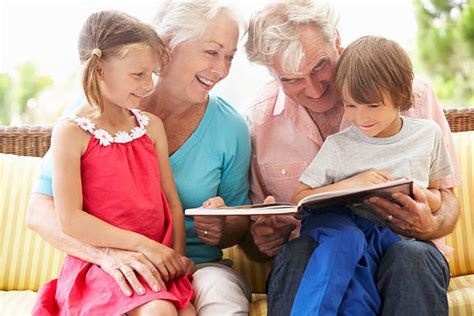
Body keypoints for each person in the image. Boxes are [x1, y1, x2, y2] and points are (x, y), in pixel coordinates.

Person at [27, 1, 252, 315]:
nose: (223, 70)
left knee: (218, 303)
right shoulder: (89, 112)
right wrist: (109, 255)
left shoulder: (229, 127)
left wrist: (222, 225)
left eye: (229, 56)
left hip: (195, 265)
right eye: (212, 52)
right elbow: (40, 211)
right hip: (112, 261)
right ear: (168, 45)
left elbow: (238, 227)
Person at [243, 1, 462, 315]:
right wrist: (260, 241)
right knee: (300, 252)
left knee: (412, 256)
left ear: (335, 38)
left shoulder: (409, 94)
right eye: (291, 79)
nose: (315, 90)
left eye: (319, 66)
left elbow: (448, 200)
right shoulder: (260, 121)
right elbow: (254, 241)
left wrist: (430, 223)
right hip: (320, 251)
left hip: (404, 248)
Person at [32, 10, 195, 315]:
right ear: (99, 69)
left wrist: (176, 258)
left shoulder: (151, 126)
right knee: (159, 311)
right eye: (138, 74)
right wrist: (142, 245)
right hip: (103, 265)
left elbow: (171, 202)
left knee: (185, 312)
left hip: (155, 261)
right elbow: (71, 219)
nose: (149, 85)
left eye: (152, 73)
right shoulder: (71, 132)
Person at [290, 35, 454, 316]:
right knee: (349, 259)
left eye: (372, 106)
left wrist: (418, 194)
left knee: (400, 261)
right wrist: (355, 182)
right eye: (351, 106)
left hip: (396, 238)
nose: (360, 117)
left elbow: (440, 197)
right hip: (348, 234)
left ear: (401, 96)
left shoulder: (428, 135)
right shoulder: (339, 145)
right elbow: (300, 199)